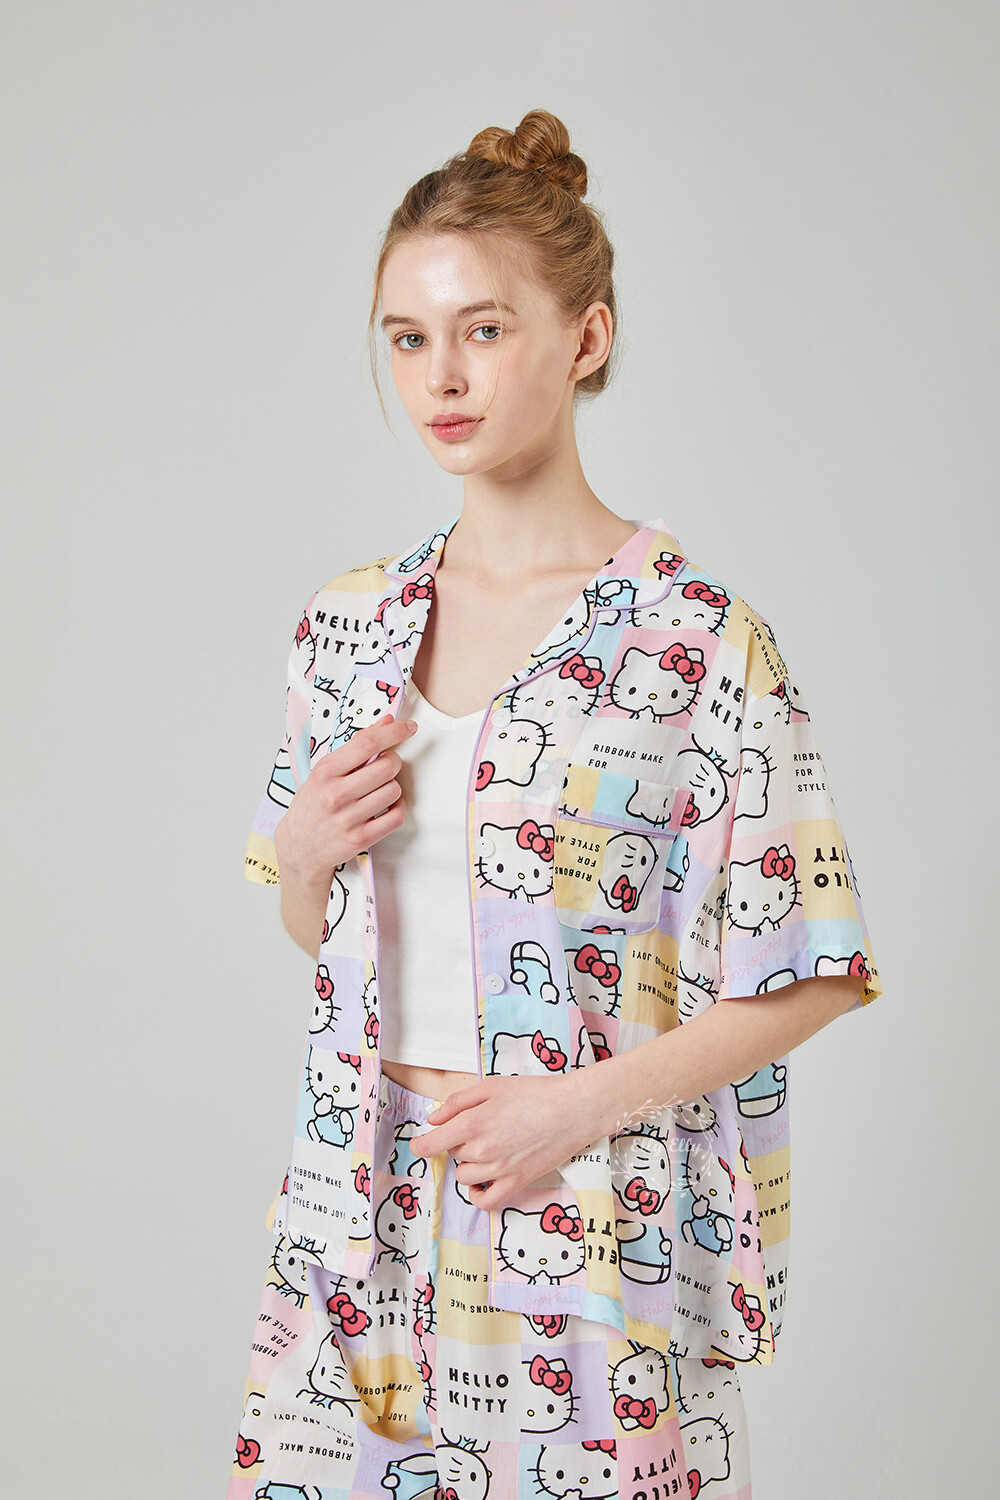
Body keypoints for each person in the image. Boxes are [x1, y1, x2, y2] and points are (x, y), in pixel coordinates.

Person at [227, 109, 881, 1500]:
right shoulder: (345, 628)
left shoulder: (697, 640)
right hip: (355, 1201)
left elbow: (814, 965)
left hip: (581, 1211)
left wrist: (573, 1109)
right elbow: (321, 936)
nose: (441, 377)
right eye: (408, 337)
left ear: (586, 338)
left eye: (484, 329)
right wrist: (301, 854)